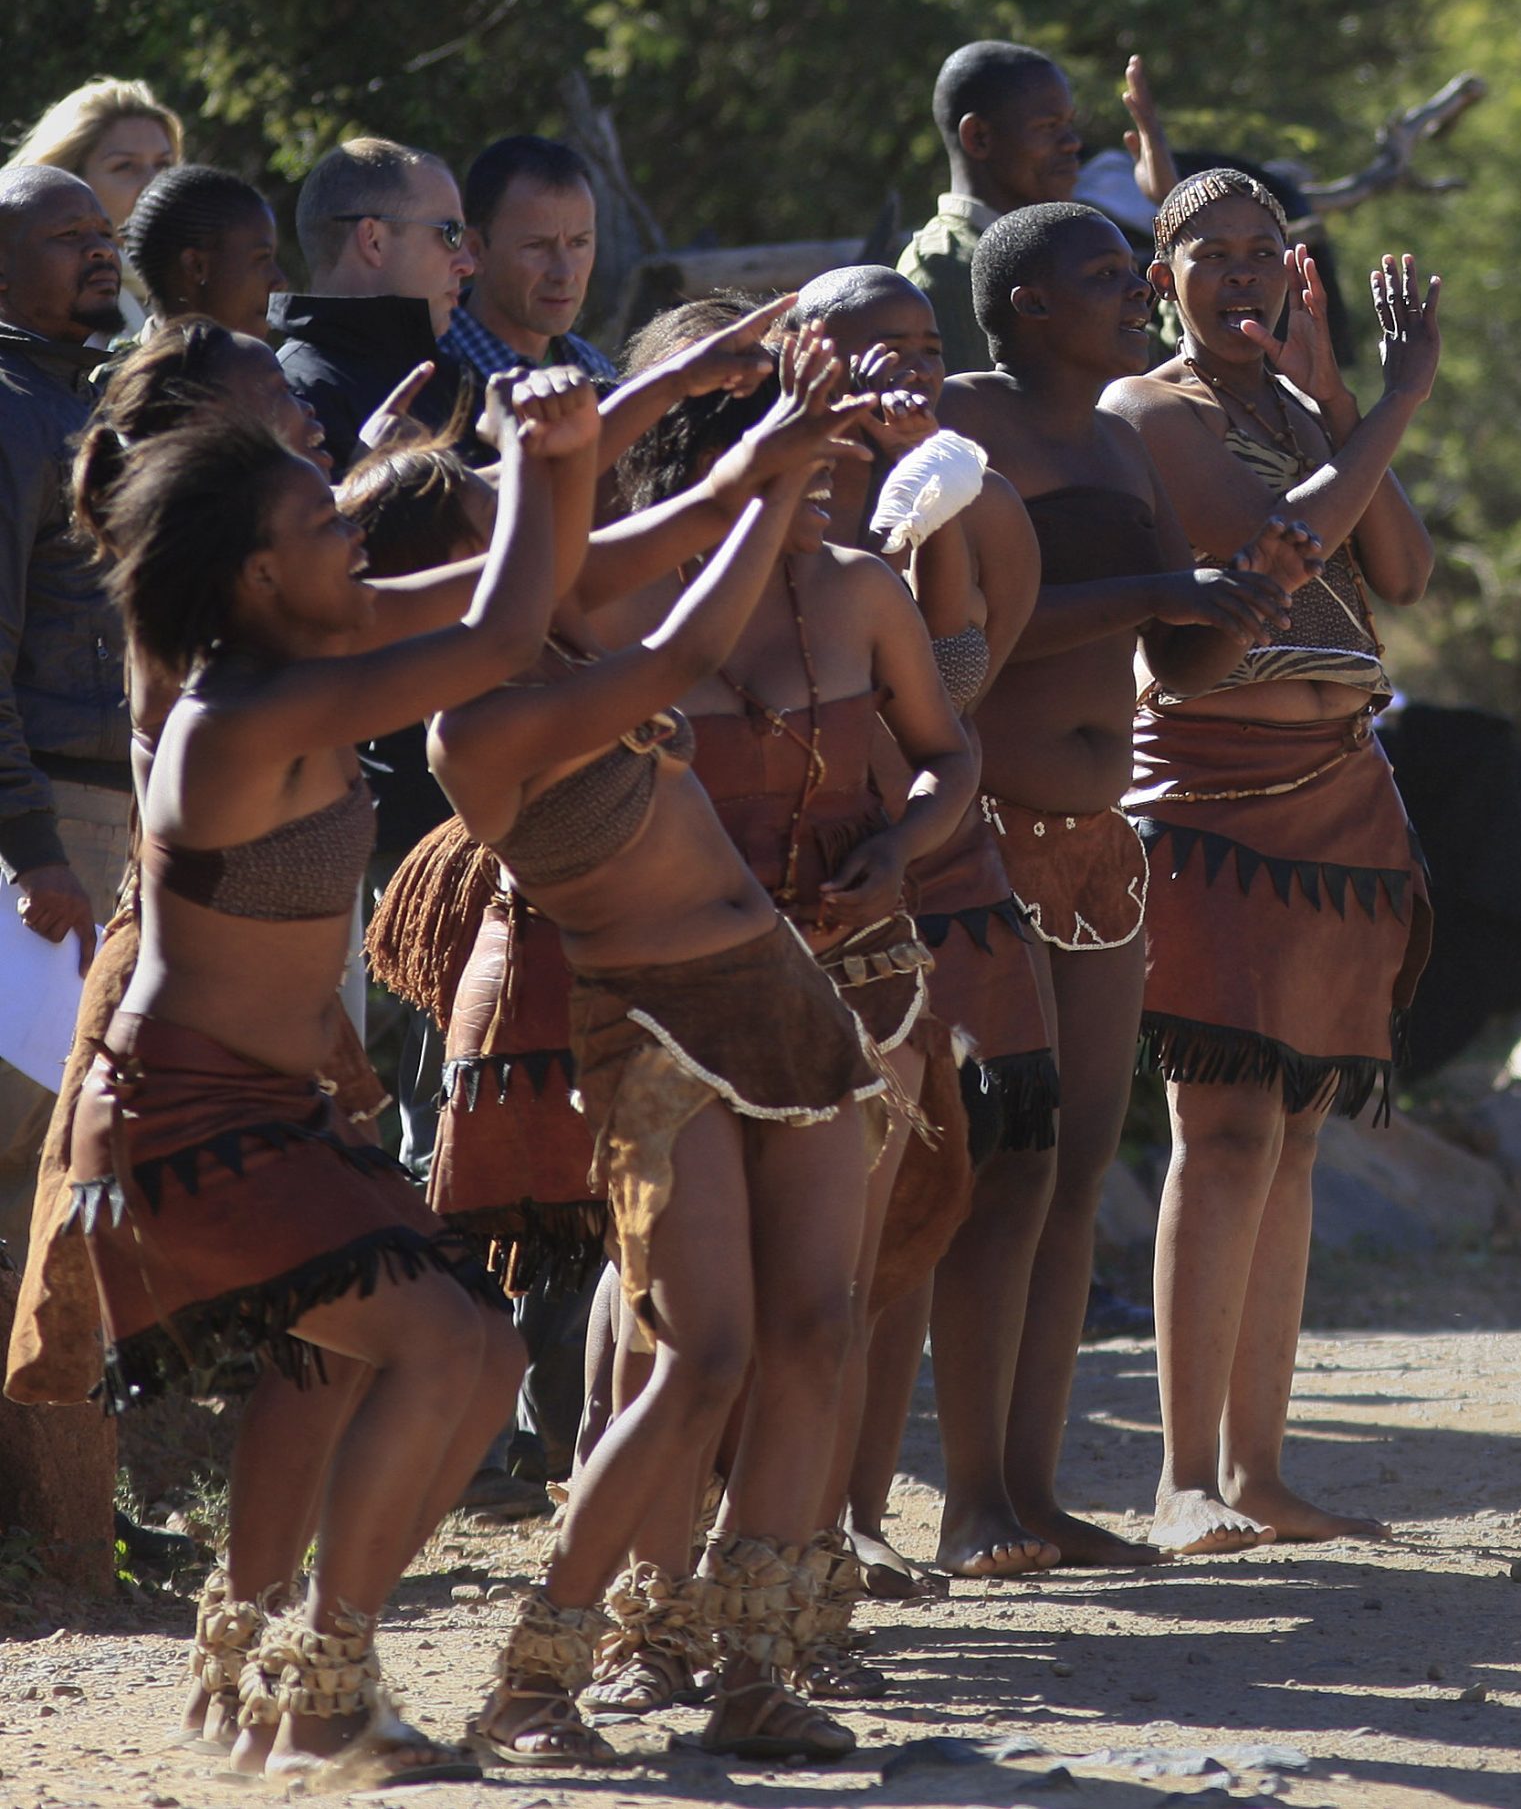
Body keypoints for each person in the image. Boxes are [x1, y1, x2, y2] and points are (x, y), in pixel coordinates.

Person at [72, 363, 570, 1784]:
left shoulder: (304, 651)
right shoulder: (235, 710)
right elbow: (514, 619)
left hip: (283, 1103)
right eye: (320, 502)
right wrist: (551, 447)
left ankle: (307, 1663)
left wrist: (746, 452)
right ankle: (318, 1689)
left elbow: (543, 574)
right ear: (252, 571)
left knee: (481, 1348)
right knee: (428, 1343)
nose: (351, 512)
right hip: (193, 1110)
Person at [434, 331, 882, 1764]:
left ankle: (754, 1672)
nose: (536, 542)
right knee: (708, 1353)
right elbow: (693, 639)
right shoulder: (479, 720)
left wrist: (745, 390)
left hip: (779, 986)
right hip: (656, 1027)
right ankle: (537, 1674)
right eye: (494, 534)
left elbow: (703, 494)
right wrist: (780, 467)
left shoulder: (562, 605)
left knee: (818, 1329)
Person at [931, 200, 1289, 1570]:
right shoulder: (963, 426)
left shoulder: (1127, 433)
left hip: (1100, 841)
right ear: (1023, 303)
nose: (1135, 288)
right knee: (998, 1166)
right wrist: (1162, 580)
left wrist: (1228, 609)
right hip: (988, 834)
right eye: (1101, 276)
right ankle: (965, 1503)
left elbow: (1171, 650)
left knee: (1078, 1165)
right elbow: (965, 628)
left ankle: (1033, 1490)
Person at [1102, 169, 1440, 1553]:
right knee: (1222, 1126)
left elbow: (1402, 570)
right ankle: (1182, 1478)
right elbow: (1271, 547)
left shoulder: (1304, 411)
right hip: (1212, 798)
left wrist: (1351, 404)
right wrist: (1407, 391)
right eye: (1211, 257)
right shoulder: (1149, 412)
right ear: (1160, 283)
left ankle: (1261, 1470)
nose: (1241, 278)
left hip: (1341, 803)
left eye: (1265, 256)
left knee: (1295, 1131)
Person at [784, 263, 1048, 1593]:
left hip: (922, 871)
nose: (906, 370)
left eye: (926, 345)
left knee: (905, 1214)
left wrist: (929, 511)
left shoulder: (975, 500)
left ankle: (861, 1514)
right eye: (869, 345)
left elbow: (943, 697)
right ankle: (760, 1522)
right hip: (775, 886)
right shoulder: (752, 493)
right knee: (788, 1229)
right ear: (801, 353)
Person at [0, 166, 127, 1257]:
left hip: (109, 816)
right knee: (13, 1154)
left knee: (54, 1176)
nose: (98, 247)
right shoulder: (7, 412)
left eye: (103, 229)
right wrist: (32, 848)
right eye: (63, 235)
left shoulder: (88, 397)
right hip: (44, 833)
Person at [271, 137, 473, 475]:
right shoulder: (291, 396)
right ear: (373, 240)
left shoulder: (454, 379)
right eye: (451, 234)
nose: (467, 263)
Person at [898, 41, 1087, 377]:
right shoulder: (944, 272)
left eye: (1069, 124)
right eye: (1048, 127)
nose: (1072, 142)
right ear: (978, 137)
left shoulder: (1065, 251)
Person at [8, 78, 182, 339]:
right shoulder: (34, 304)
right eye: (125, 166)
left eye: (164, 165)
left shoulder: (192, 289)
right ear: (67, 181)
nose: (155, 184)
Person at [441, 136, 618, 388]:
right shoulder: (425, 370)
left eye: (578, 243)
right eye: (536, 246)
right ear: (474, 250)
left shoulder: (597, 373)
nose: (564, 273)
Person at [120, 166, 286, 339]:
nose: (280, 281)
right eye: (262, 259)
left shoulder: (271, 364)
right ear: (195, 265)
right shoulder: (123, 366)